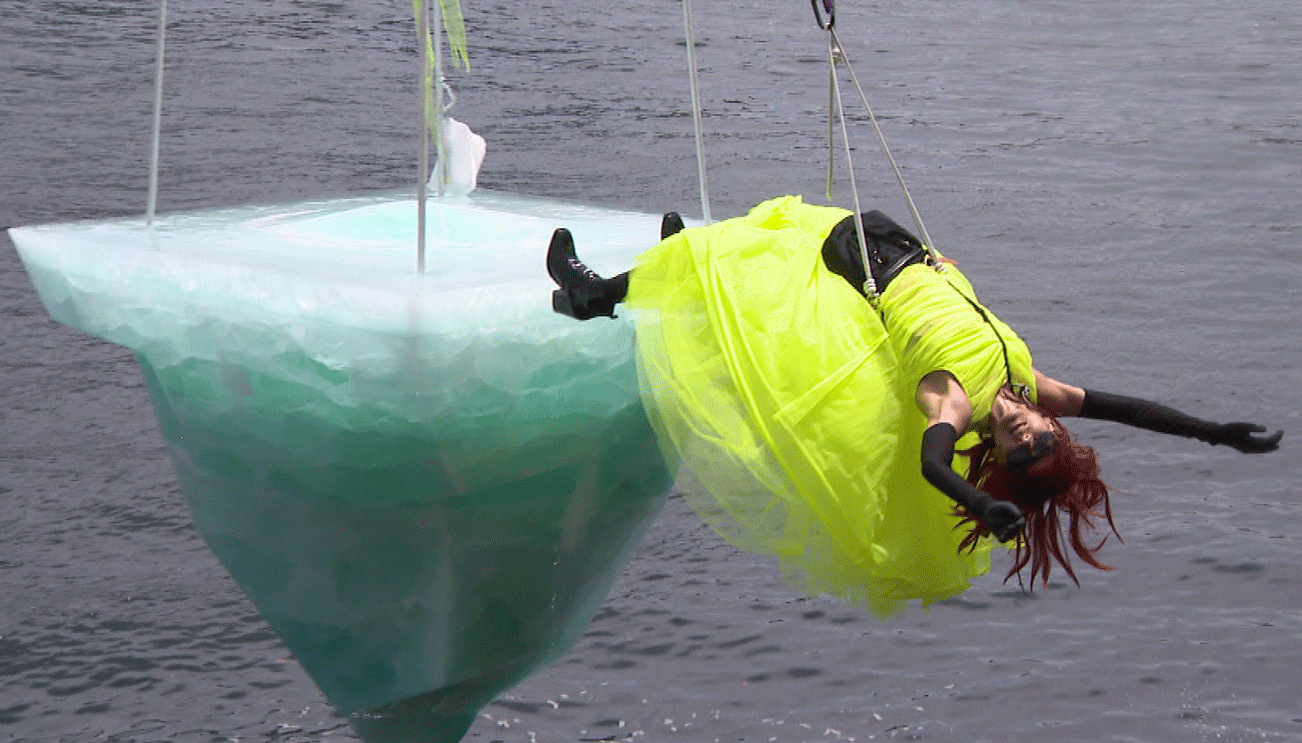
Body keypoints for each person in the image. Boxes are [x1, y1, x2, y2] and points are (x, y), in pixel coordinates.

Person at [546, 197, 1282, 617]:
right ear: (1054, 424)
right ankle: (678, 269)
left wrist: (972, 497)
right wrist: (1214, 432)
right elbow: (1128, 409)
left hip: (864, 258)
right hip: (909, 248)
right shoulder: (1028, 385)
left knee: (740, 255)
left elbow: (934, 461)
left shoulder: (954, 402)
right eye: (1044, 438)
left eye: (1020, 450)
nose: (1027, 431)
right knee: (743, 255)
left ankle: (593, 294)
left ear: (1001, 453)